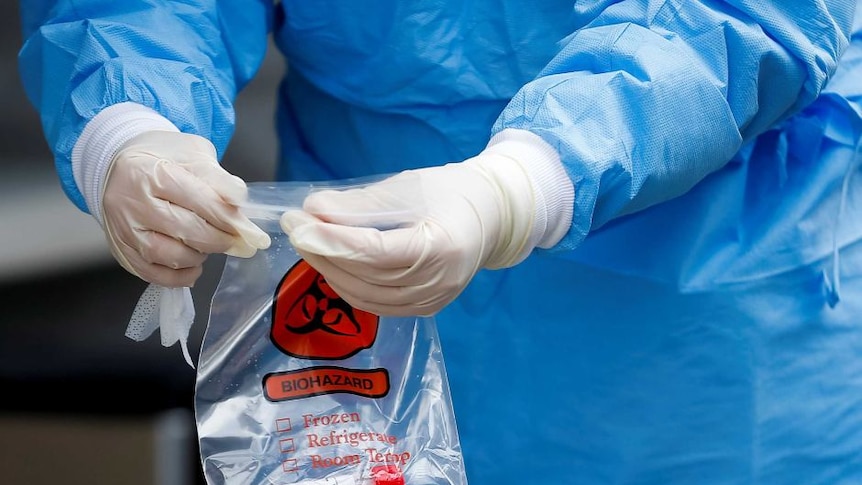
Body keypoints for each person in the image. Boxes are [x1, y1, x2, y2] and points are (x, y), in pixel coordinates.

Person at [18, 1, 862, 483]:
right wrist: (130, 125)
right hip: (361, 332)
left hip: (706, 363)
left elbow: (734, 21)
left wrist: (519, 183)